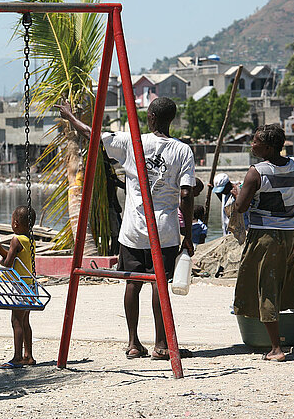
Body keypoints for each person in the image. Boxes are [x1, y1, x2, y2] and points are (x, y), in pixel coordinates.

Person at [56, 96, 195, 361]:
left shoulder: (133, 141)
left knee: (132, 284)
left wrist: (71, 117)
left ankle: (133, 343)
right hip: (163, 231)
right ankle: (161, 344)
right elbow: (186, 195)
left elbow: (93, 134)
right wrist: (187, 233)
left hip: (133, 229)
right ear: (171, 120)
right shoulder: (182, 150)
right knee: (159, 285)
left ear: (150, 118)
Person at [233, 124, 294, 362]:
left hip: (265, 237)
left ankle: (276, 349)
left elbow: (240, 207)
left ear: (267, 147)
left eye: (255, 141)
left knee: (266, 287)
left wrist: (238, 191)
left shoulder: (256, 172)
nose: (252, 145)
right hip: (291, 235)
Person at [0, 205, 37, 369]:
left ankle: (17, 357)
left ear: (15, 223)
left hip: (19, 285)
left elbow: (9, 263)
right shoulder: (30, 240)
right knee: (25, 321)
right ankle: (28, 355)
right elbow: (15, 257)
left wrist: (1, 261)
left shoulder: (16, 239)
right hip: (30, 284)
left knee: (16, 320)